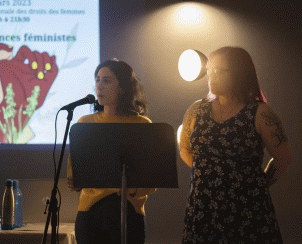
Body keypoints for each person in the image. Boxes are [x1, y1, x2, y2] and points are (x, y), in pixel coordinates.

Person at [179, 46, 292, 243]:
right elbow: (185, 151)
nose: (211, 75)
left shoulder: (259, 113)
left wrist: (258, 184)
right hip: (204, 210)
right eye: (209, 70)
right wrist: (210, 178)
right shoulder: (196, 110)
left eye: (219, 71)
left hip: (247, 211)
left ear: (240, 74)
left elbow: (284, 157)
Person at [67, 59, 156, 244]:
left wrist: (133, 188)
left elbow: (152, 178)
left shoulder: (142, 125)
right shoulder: (85, 124)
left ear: (123, 87)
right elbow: (73, 175)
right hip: (90, 215)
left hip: (128, 212)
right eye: (97, 80)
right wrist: (74, 178)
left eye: (106, 81)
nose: (99, 86)